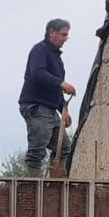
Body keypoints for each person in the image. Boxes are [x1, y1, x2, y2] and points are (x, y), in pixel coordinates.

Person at [18, 19, 76, 177]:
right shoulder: (40, 50)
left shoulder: (57, 58)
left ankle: (55, 184)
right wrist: (61, 83)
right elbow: (38, 73)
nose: (65, 38)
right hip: (36, 106)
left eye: (67, 36)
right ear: (52, 33)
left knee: (63, 147)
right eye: (63, 34)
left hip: (50, 109)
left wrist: (63, 110)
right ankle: (33, 185)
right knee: (38, 147)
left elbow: (54, 89)